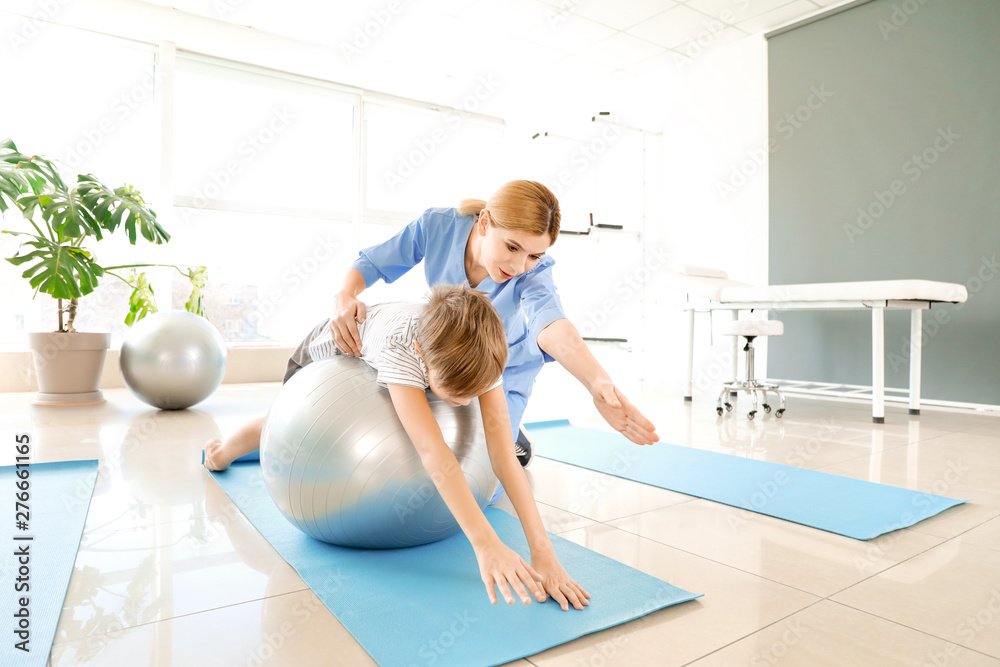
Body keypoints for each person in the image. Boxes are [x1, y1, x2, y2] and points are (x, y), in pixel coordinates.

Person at [205, 285, 590, 612]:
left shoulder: (482, 352)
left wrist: (544, 553)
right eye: (458, 396)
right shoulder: (403, 352)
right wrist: (486, 542)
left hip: (400, 342)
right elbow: (434, 454)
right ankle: (222, 452)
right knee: (285, 431)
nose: (467, 403)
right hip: (332, 353)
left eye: (475, 393)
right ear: (423, 358)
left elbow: (503, 453)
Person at [330, 180, 659, 465]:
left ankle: (516, 438)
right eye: (512, 247)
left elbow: (553, 326)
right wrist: (345, 295)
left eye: (533, 256)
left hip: (506, 370)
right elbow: (375, 261)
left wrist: (598, 383)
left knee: (483, 481)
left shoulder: (534, 274)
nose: (519, 266)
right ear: (485, 222)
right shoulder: (439, 226)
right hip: (456, 357)